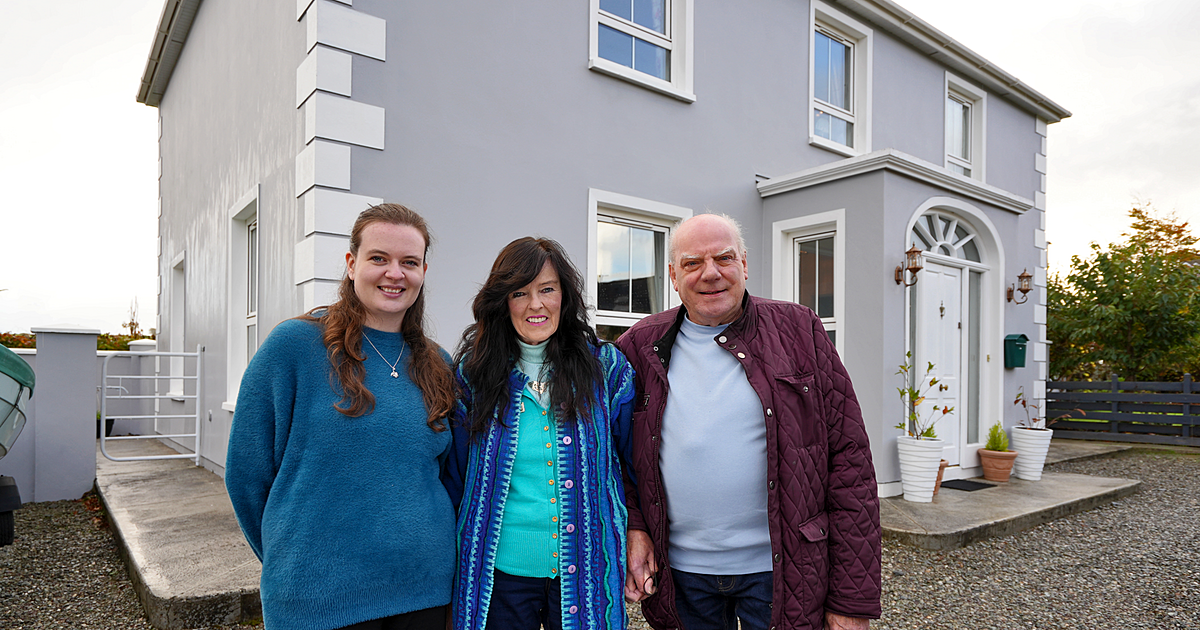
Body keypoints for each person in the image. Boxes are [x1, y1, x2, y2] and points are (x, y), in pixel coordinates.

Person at [616, 214, 882, 630]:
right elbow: (616, 458)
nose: (711, 274)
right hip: (681, 577)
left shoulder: (800, 331)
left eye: (724, 258)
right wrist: (634, 527)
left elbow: (851, 463)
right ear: (672, 274)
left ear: (745, 262)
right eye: (692, 263)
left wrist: (851, 601)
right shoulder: (639, 346)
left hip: (784, 572)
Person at [226, 203, 458, 630]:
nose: (395, 273)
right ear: (352, 265)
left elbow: (447, 475)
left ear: (424, 271)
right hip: (316, 599)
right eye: (378, 259)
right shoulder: (295, 347)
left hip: (425, 591)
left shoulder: (439, 364)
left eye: (409, 262)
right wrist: (289, 557)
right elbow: (246, 473)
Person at [443, 237, 637, 630]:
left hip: (586, 567)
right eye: (520, 292)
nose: (536, 304)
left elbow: (631, 465)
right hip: (501, 578)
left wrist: (637, 530)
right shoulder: (473, 376)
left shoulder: (607, 369)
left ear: (564, 295)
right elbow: (456, 477)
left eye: (547, 289)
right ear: (503, 302)